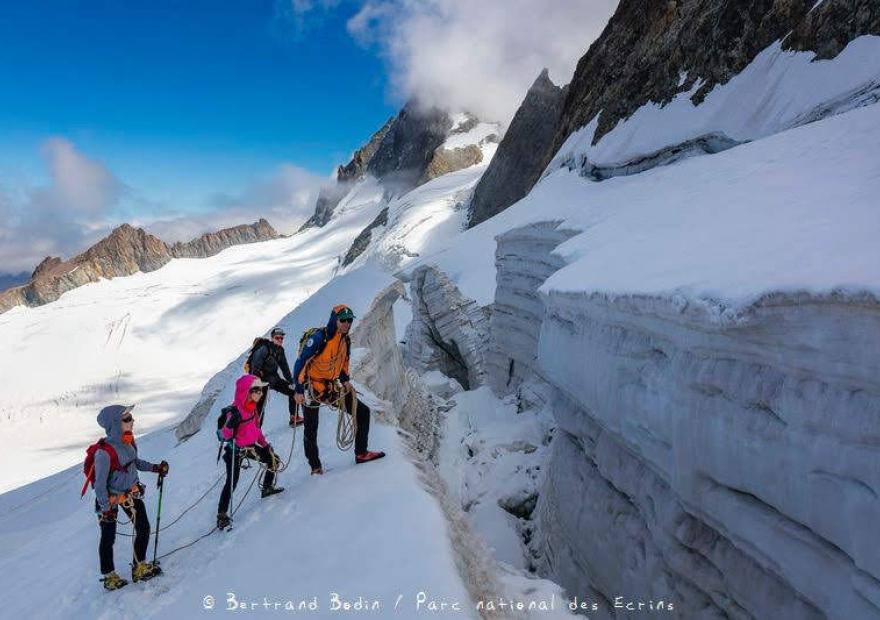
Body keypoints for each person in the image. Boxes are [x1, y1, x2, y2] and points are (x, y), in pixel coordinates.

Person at [293, 304, 385, 475]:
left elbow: (343, 363)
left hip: (329, 386)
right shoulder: (320, 338)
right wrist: (298, 390)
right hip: (311, 388)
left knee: (362, 412)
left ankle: (361, 453)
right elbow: (301, 363)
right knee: (311, 429)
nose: (347, 324)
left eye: (349, 320)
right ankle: (315, 467)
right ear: (334, 320)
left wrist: (345, 380)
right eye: (343, 320)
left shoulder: (345, 339)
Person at [92, 405, 169, 591]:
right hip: (111, 501)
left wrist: (155, 468)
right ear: (115, 424)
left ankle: (139, 566)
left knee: (143, 527)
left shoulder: (129, 441)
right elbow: (99, 485)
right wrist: (106, 509)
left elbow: (135, 462)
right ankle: (109, 576)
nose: (132, 421)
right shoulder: (103, 453)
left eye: (131, 418)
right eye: (127, 419)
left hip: (130, 493)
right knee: (108, 538)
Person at [216, 374, 284, 530]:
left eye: (261, 390)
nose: (260, 393)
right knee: (232, 481)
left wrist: (265, 445)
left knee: (274, 459)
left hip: (249, 448)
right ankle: (221, 515)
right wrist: (230, 425)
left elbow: (256, 430)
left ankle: (267, 488)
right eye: (256, 390)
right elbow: (225, 435)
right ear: (246, 391)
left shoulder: (252, 408)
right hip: (235, 450)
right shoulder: (235, 412)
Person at [250, 327, 304, 427]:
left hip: (274, 379)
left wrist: (292, 382)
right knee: (260, 407)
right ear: (272, 338)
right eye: (277, 338)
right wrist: (257, 386)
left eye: (281, 338)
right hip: (261, 381)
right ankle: (256, 432)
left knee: (293, 391)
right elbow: (254, 368)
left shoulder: (280, 351)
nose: (279, 340)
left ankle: (294, 418)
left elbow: (285, 368)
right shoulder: (264, 349)